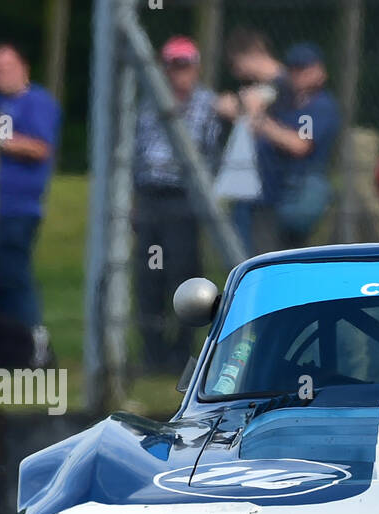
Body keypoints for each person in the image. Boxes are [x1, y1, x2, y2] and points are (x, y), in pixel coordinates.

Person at [0, 43, 62, 368]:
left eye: (6, 67)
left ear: (24, 68)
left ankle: (32, 346)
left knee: (14, 278)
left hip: (15, 209)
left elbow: (39, 148)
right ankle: (0, 349)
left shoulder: (37, 102)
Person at [132, 36, 221, 375]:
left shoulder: (208, 105)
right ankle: (152, 354)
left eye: (184, 66)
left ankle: (182, 354)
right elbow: (136, 155)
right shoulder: (148, 104)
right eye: (172, 67)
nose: (178, 75)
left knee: (183, 273)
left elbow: (212, 154)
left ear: (195, 68)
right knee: (148, 276)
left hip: (185, 198)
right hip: (151, 195)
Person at [219, 34, 340, 255]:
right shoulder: (288, 102)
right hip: (269, 195)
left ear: (319, 70)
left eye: (304, 69)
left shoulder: (320, 105)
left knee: (276, 257)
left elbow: (299, 144)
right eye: (294, 69)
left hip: (294, 196)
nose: (298, 75)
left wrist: (260, 121)